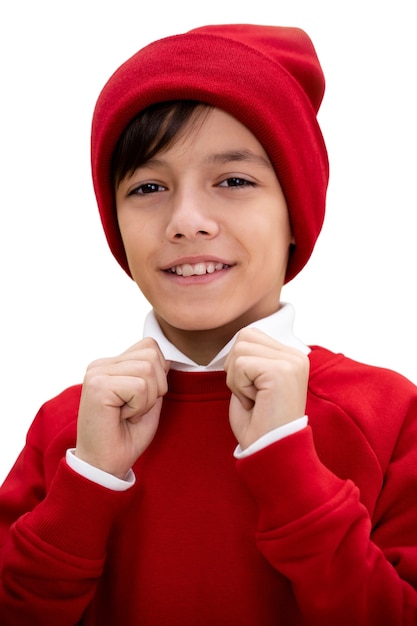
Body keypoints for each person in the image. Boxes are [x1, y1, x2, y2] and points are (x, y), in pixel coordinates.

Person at [0, 23, 416, 626]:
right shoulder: (69, 429)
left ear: (296, 211)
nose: (186, 221)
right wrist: (87, 482)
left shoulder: (387, 414)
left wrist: (287, 465)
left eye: (234, 181)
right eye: (148, 186)